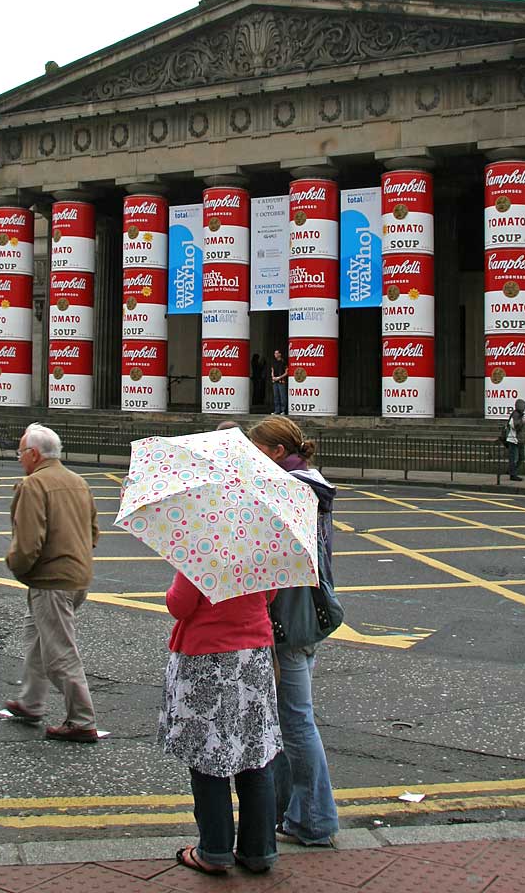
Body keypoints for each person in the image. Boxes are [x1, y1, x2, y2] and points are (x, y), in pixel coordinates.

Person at [249, 416, 339, 847]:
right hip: (302, 614)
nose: (253, 455)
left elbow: (280, 562)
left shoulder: (292, 491)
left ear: (278, 453)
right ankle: (294, 814)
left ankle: (316, 821)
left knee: (297, 721)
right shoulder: (305, 485)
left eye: (258, 448)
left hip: (291, 617)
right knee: (287, 721)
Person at [158, 572, 281, 875]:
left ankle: (214, 851)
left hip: (208, 659)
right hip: (253, 657)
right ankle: (259, 851)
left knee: (207, 756)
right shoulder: (259, 542)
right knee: (255, 753)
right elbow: (270, 595)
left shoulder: (203, 546)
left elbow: (180, 605)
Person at [3, 423, 99, 742]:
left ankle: (82, 719)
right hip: (77, 576)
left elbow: (28, 543)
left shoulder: (33, 485)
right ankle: (31, 702)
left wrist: (16, 567)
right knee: (36, 639)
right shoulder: (78, 481)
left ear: (33, 454)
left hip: (51, 580)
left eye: (21, 453)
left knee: (58, 649)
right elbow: (93, 532)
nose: (19, 459)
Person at [505, 398, 525, 481]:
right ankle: (513, 474)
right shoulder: (515, 414)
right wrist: (522, 421)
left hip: (519, 439)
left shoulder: (520, 415)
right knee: (514, 458)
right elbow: (515, 426)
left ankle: (512, 470)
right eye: (524, 406)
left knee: (521, 457)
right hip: (513, 439)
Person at [271, 349, 288, 415]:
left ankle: (283, 410)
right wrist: (273, 377)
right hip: (275, 381)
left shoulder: (283, 362)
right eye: (275, 353)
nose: (275, 355)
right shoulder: (273, 362)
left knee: (282, 396)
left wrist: (279, 377)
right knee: (276, 396)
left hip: (281, 381)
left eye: (277, 353)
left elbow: (286, 372)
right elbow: (272, 370)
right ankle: (277, 410)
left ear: (280, 354)